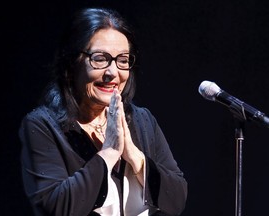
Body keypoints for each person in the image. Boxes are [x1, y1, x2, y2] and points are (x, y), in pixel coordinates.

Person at [18, 7, 188, 216]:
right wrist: (108, 153)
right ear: (71, 64)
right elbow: (56, 207)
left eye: (123, 60)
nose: (113, 72)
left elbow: (177, 199)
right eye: (99, 59)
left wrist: (135, 157)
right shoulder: (41, 126)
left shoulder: (142, 120)